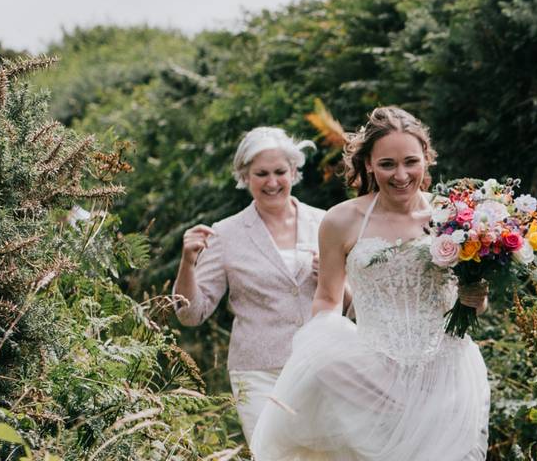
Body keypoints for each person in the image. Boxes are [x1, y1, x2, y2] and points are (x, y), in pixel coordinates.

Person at [252, 106, 490, 461]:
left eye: (411, 161)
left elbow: (473, 300)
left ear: (426, 159)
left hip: (444, 375)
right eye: (387, 164)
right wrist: (320, 347)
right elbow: (328, 298)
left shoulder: (454, 217)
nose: (401, 175)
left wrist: (477, 298)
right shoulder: (341, 221)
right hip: (370, 377)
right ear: (368, 165)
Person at [173, 126, 329, 444]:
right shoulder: (225, 234)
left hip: (320, 367)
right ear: (245, 176)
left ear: (294, 171)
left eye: (279, 172)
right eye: (261, 174)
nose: (272, 182)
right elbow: (190, 314)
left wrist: (330, 276)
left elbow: (351, 307)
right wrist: (187, 262)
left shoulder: (326, 223)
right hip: (258, 374)